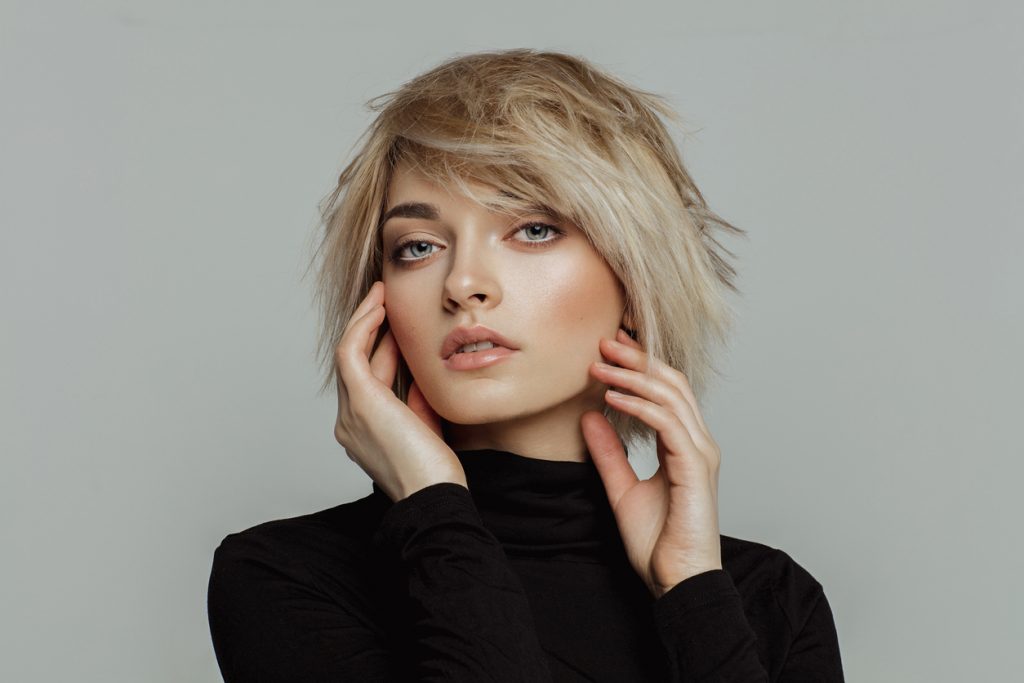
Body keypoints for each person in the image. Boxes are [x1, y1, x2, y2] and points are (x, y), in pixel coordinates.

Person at [206, 48, 845, 681]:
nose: (462, 283)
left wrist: (693, 596)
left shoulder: (770, 602)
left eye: (533, 229)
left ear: (634, 276)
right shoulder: (288, 575)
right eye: (419, 247)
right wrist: (432, 512)